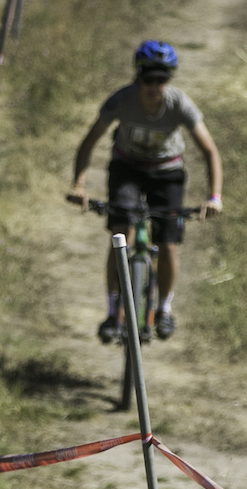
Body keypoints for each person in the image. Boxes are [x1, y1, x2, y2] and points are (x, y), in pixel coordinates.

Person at [67, 39, 223, 343]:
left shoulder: (179, 104)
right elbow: (89, 142)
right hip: (127, 169)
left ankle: (164, 309)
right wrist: (78, 185)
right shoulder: (121, 101)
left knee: (168, 244)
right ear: (137, 77)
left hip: (167, 172)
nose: (154, 86)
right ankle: (112, 312)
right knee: (120, 236)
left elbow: (210, 151)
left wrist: (214, 197)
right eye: (148, 79)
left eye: (162, 79)